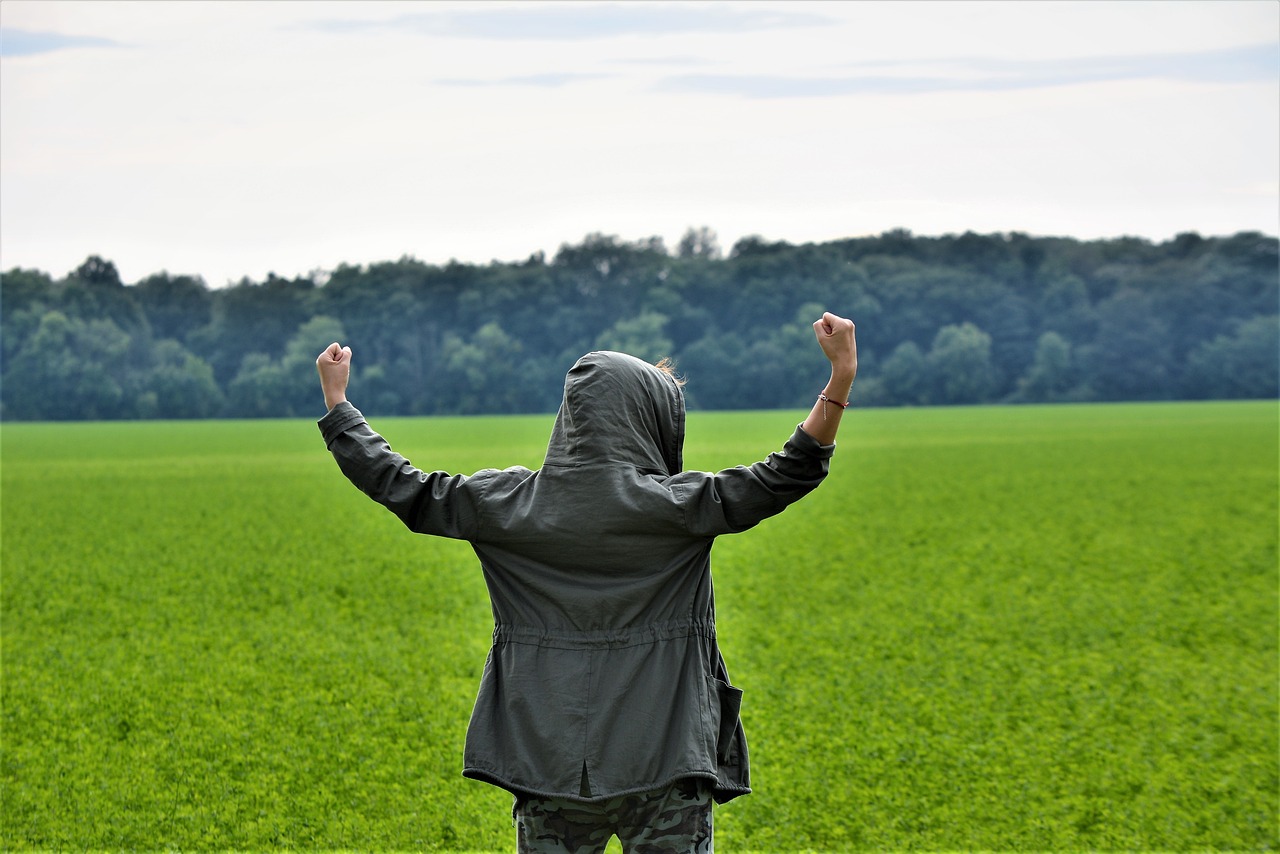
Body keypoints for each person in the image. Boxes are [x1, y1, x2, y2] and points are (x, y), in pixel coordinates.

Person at [315, 312, 857, 853]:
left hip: (549, 764)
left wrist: (340, 408)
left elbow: (403, 487)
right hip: (666, 759)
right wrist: (839, 378)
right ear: (648, 422)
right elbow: (791, 470)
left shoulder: (502, 504)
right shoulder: (680, 507)